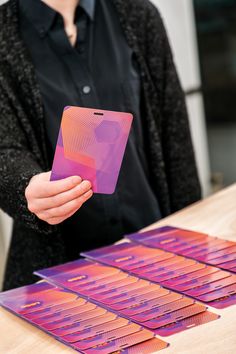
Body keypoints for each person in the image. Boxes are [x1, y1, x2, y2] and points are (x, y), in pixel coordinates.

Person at [0, 0, 201, 290]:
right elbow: (5, 148)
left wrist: (191, 237)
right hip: (59, 279)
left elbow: (175, 136)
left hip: (156, 253)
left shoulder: (137, 14)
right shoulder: (5, 32)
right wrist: (25, 187)